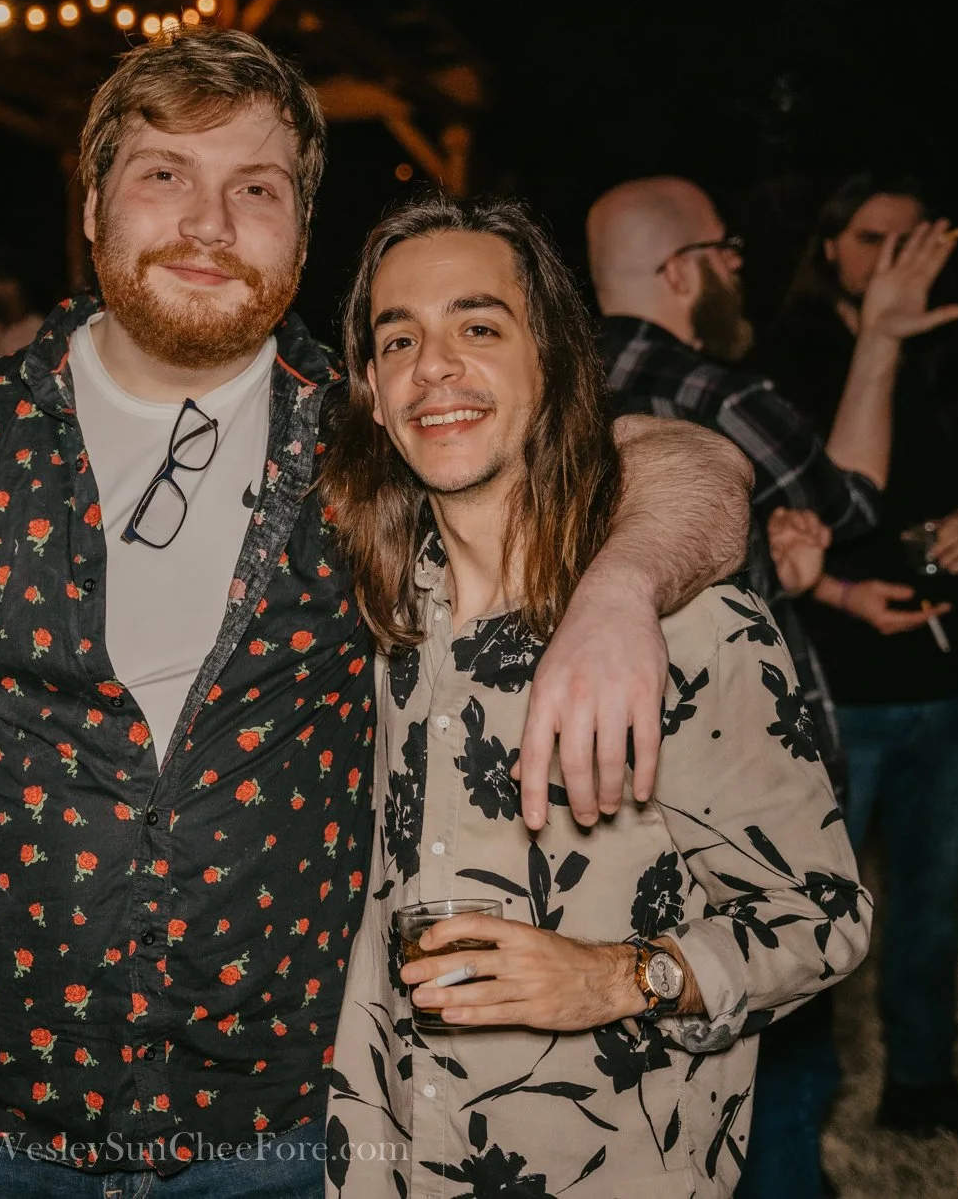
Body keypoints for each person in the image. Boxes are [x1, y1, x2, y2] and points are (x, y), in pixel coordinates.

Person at [0, 28, 755, 1193]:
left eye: (255, 188)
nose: (207, 222)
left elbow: (685, 460)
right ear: (92, 206)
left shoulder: (373, 438)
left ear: (302, 229)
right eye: (163, 175)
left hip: (280, 1112)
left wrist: (619, 587)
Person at [323, 192, 869, 1197]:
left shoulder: (682, 625)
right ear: (367, 384)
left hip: (613, 1164)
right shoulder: (376, 604)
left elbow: (819, 916)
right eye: (397, 339)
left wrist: (616, 976)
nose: (431, 367)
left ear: (555, 361)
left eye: (477, 327)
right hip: (387, 1161)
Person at [588, 175, 958, 1198]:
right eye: (726, 250)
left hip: (604, 776)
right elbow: (851, 499)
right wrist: (880, 338)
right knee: (778, 1013)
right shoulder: (715, 393)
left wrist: (794, 576)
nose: (740, 266)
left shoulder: (554, 384)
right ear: (681, 270)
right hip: (728, 773)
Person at [751, 175, 958, 1170]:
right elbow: (768, 522)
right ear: (829, 247)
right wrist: (835, 589)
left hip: (952, 687)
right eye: (871, 238)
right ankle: (787, 1119)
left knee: (930, 900)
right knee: (806, 912)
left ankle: (920, 1083)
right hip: (832, 691)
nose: (892, 257)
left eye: (911, 239)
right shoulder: (781, 361)